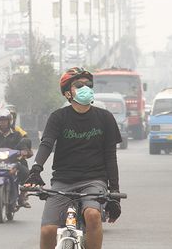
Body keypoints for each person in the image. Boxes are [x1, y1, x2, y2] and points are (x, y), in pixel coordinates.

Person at [25, 67, 122, 249]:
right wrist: (36, 169)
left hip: (94, 181)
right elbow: (46, 144)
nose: (86, 88)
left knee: (93, 215)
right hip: (62, 182)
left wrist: (114, 194)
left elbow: (110, 156)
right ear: (68, 93)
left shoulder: (106, 118)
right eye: (79, 85)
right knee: (47, 231)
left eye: (88, 85)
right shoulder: (58, 117)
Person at [0, 108, 32, 209]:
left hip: (14, 162)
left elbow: (23, 146)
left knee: (26, 172)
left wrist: (24, 151)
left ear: (9, 121)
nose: (3, 123)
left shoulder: (17, 135)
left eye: (5, 120)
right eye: (1, 121)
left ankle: (23, 196)